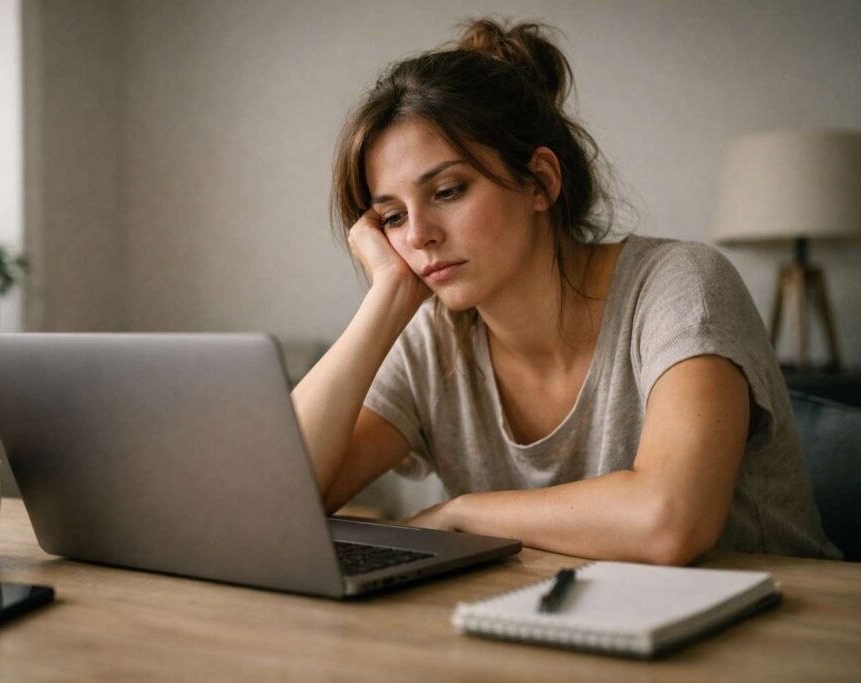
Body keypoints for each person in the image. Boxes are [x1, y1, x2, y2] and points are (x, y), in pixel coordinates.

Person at [290, 18, 840, 564]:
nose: (417, 235)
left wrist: (461, 515)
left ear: (541, 182)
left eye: (448, 190)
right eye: (391, 216)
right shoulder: (432, 340)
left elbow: (670, 520)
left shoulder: (681, 285)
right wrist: (385, 299)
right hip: (566, 630)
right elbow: (280, 503)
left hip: (779, 629)